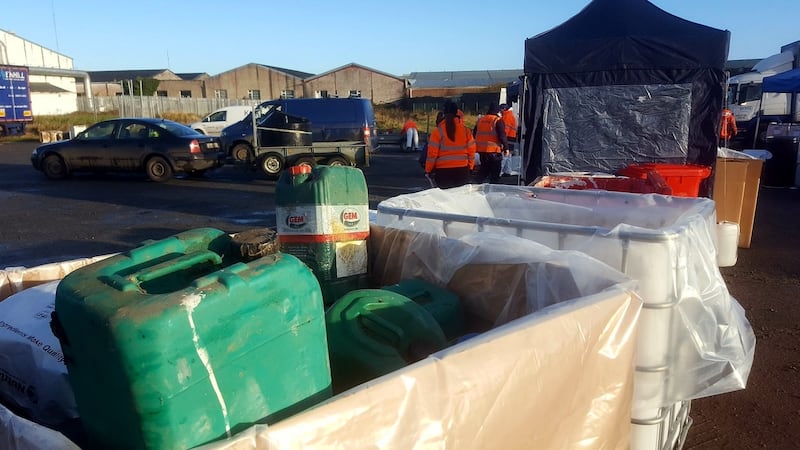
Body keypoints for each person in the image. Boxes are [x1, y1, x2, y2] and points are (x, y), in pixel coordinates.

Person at [424, 102, 476, 189]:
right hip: (462, 170)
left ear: (444, 113)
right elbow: (472, 152)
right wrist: (470, 167)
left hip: (443, 171)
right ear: (457, 113)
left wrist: (428, 170)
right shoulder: (466, 131)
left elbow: (432, 154)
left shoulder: (437, 132)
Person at [473, 103, 508, 184]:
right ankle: (493, 189)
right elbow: (502, 135)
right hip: (494, 151)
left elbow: (475, 134)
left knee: (484, 170)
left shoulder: (480, 120)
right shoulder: (497, 120)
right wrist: (506, 148)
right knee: (495, 173)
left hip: (481, 150)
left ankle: (475, 186)